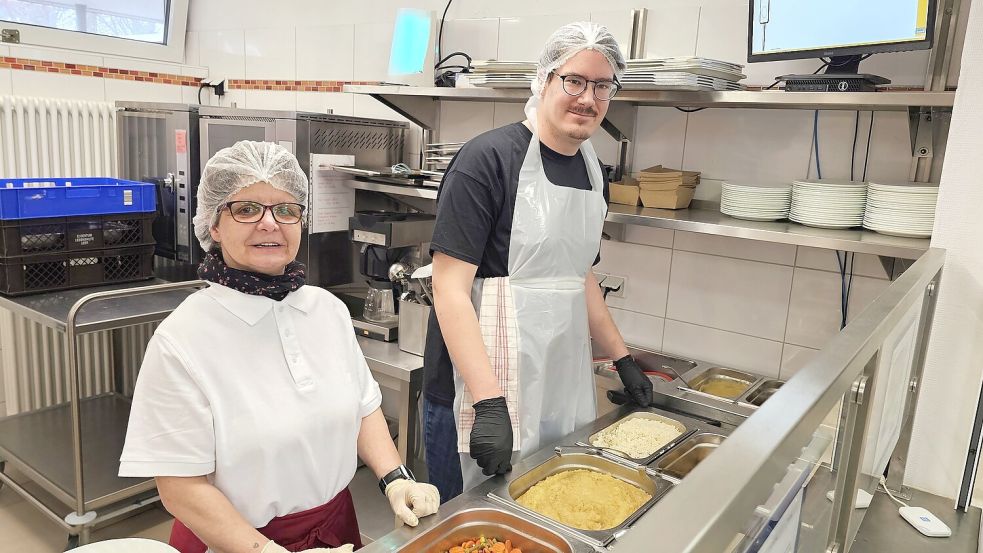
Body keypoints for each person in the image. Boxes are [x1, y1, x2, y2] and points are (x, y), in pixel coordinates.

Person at [119, 141, 439, 553]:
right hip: (233, 542)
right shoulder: (182, 339)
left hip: (336, 528)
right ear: (214, 226)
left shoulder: (326, 310)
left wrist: (396, 479)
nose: (270, 224)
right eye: (247, 209)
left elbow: (363, 408)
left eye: (287, 210)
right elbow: (180, 489)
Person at [422, 22, 655, 501]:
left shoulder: (593, 173)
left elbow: (578, 274)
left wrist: (622, 358)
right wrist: (489, 403)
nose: (587, 98)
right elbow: (449, 289)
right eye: (574, 80)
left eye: (603, 86)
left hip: (554, 380)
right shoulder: (486, 161)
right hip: (478, 387)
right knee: (467, 527)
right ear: (545, 78)